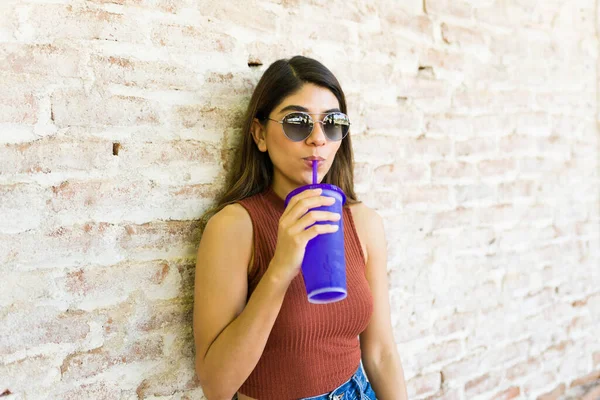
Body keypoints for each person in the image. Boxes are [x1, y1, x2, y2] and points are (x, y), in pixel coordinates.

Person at [193, 55, 408, 400]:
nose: (318, 139)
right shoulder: (233, 227)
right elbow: (217, 387)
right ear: (260, 134)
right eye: (298, 122)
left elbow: (380, 351)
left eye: (332, 123)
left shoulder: (364, 222)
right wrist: (280, 268)